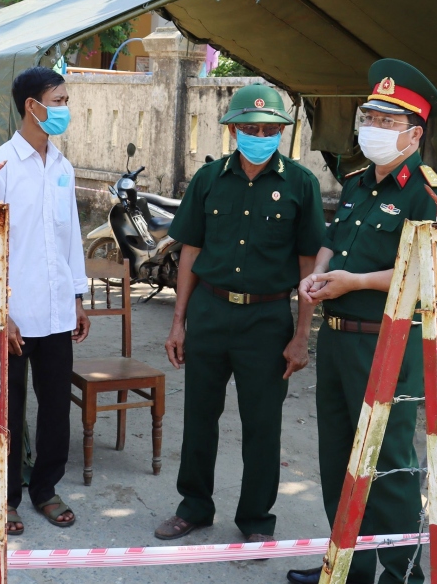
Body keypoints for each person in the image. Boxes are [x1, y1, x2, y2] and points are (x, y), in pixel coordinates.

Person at [288, 59, 437, 584]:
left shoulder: (427, 194)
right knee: (338, 458)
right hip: (337, 341)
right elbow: (332, 242)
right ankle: (349, 570)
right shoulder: (359, 182)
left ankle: (402, 573)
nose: (373, 128)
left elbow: (433, 276)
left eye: (388, 122)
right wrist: (318, 275)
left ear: (414, 133)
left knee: (388, 468)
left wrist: (355, 282)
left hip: (388, 344)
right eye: (370, 116)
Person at [155, 84, 325, 544]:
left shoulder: (301, 184)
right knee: (198, 418)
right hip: (210, 312)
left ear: (281, 133)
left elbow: (310, 264)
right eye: (250, 127)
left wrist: (301, 335)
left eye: (270, 129)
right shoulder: (208, 180)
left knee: (262, 426)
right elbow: (190, 250)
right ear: (232, 130)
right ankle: (194, 507)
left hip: (268, 322)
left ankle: (255, 521)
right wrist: (179, 322)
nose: (260, 135)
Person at [0, 66, 90, 537]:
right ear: (31, 107)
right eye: (57, 100)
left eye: (64, 100)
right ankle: (7, 496)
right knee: (9, 411)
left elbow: (70, 238)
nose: (64, 108)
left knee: (56, 407)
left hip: (58, 311)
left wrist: (77, 297)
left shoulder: (63, 166)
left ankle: (46, 490)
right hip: (14, 316)